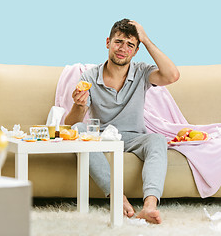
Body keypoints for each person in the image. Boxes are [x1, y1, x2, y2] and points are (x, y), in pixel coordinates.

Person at [64, 18, 180, 224]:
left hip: (134, 137)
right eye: (118, 42)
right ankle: (118, 198)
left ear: (135, 51)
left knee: (157, 140)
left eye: (130, 45)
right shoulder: (89, 77)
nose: (123, 49)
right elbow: (70, 124)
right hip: (101, 136)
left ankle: (149, 206)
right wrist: (79, 105)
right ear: (108, 42)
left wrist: (145, 38)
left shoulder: (142, 72)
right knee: (79, 128)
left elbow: (172, 75)